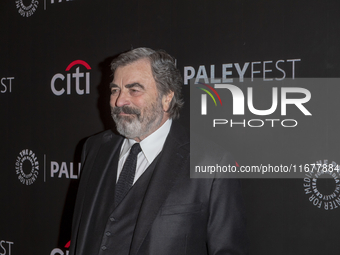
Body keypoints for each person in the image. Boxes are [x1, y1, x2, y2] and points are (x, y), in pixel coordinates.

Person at [69, 47, 248, 255]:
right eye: (115, 90)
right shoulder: (95, 148)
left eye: (134, 90)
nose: (119, 101)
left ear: (166, 98)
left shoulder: (212, 162)